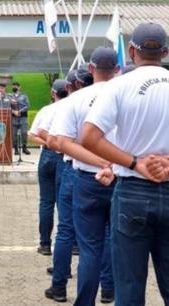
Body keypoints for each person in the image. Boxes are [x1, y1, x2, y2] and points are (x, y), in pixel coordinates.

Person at [81, 23, 169, 306]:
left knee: (129, 289)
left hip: (132, 193)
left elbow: (89, 137)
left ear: (130, 51)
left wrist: (136, 163)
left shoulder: (119, 86)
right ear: (165, 52)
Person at [54, 48, 120, 306]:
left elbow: (62, 142)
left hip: (86, 179)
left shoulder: (76, 99)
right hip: (121, 178)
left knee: (89, 248)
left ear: (90, 69)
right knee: (116, 243)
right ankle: (111, 292)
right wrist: (113, 164)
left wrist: (99, 162)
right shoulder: (125, 95)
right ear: (117, 69)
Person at [42, 67, 91, 301]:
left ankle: (60, 285)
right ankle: (109, 288)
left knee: (66, 228)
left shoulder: (70, 104)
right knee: (103, 235)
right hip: (113, 172)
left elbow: (53, 140)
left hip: (76, 170)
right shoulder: (117, 95)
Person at [28, 79, 69, 257]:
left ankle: (45, 244)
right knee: (64, 202)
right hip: (64, 155)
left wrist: (48, 142)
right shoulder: (72, 107)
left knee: (46, 202)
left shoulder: (46, 110)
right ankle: (70, 243)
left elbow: (32, 135)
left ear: (53, 92)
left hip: (48, 155)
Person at [10, 82, 31, 156]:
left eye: (16, 86)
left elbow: (28, 105)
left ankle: (24, 148)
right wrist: (13, 111)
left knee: (24, 132)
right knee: (14, 134)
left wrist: (20, 111)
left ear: (19, 87)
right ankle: (15, 149)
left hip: (23, 117)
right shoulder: (10, 96)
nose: (14, 87)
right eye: (13, 86)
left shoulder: (24, 96)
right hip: (14, 117)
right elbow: (7, 106)